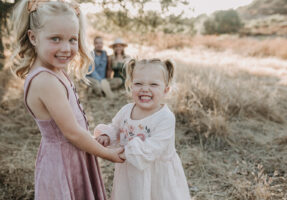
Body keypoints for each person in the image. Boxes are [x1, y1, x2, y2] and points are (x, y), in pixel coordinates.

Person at [11, 1, 124, 199]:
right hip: (62, 163)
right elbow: (72, 133)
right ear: (33, 37)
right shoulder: (45, 80)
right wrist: (108, 154)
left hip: (75, 155)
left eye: (73, 39)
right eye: (55, 39)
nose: (66, 48)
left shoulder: (56, 71)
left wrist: (92, 141)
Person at [94, 58, 191, 200]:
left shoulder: (165, 117)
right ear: (130, 86)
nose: (145, 89)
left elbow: (153, 147)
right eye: (138, 83)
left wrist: (124, 153)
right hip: (130, 171)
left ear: (165, 90)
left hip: (156, 174)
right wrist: (108, 136)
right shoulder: (126, 110)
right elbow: (116, 127)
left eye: (153, 84)